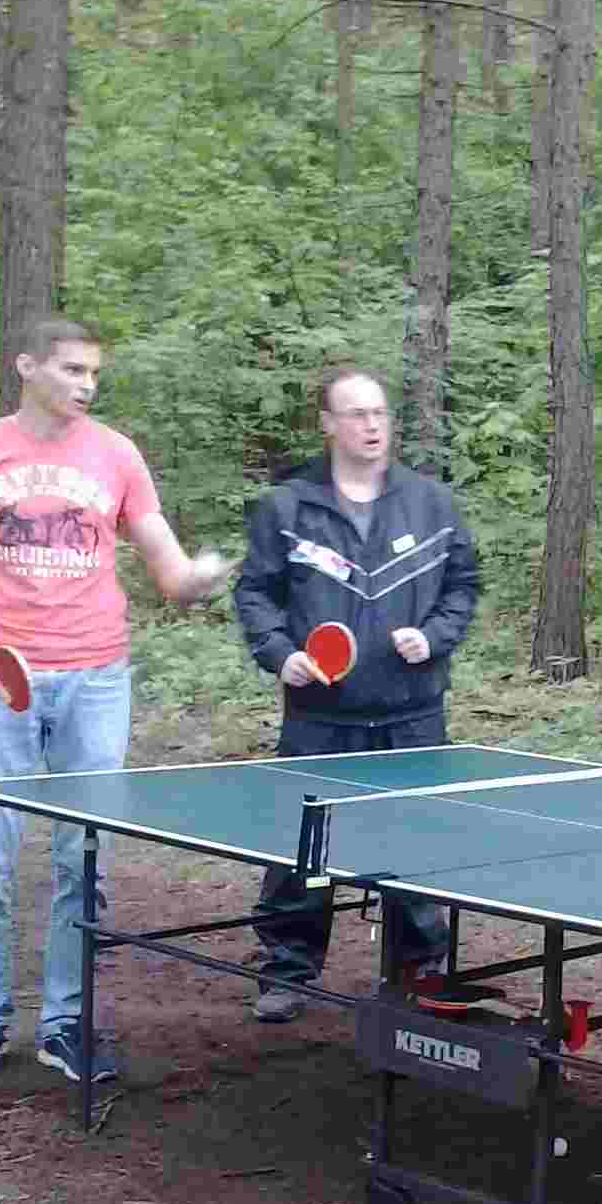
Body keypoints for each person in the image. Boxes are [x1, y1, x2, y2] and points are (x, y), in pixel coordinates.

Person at [0, 315, 233, 1084]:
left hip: (96, 682)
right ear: (27, 366)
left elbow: (167, 569)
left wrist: (196, 578)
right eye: (72, 369)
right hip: (1, 683)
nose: (86, 384)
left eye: (94, 372)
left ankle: (64, 1023)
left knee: (82, 863)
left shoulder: (118, 454)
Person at [233, 365, 480, 1021]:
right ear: (328, 424)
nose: (372, 425)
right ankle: (287, 971)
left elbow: (463, 585)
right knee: (302, 848)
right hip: (320, 715)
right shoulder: (288, 508)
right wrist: (280, 653)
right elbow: (255, 592)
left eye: (379, 413)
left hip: (412, 712)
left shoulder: (431, 503)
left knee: (414, 846)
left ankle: (417, 974)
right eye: (356, 414)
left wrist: (435, 636)